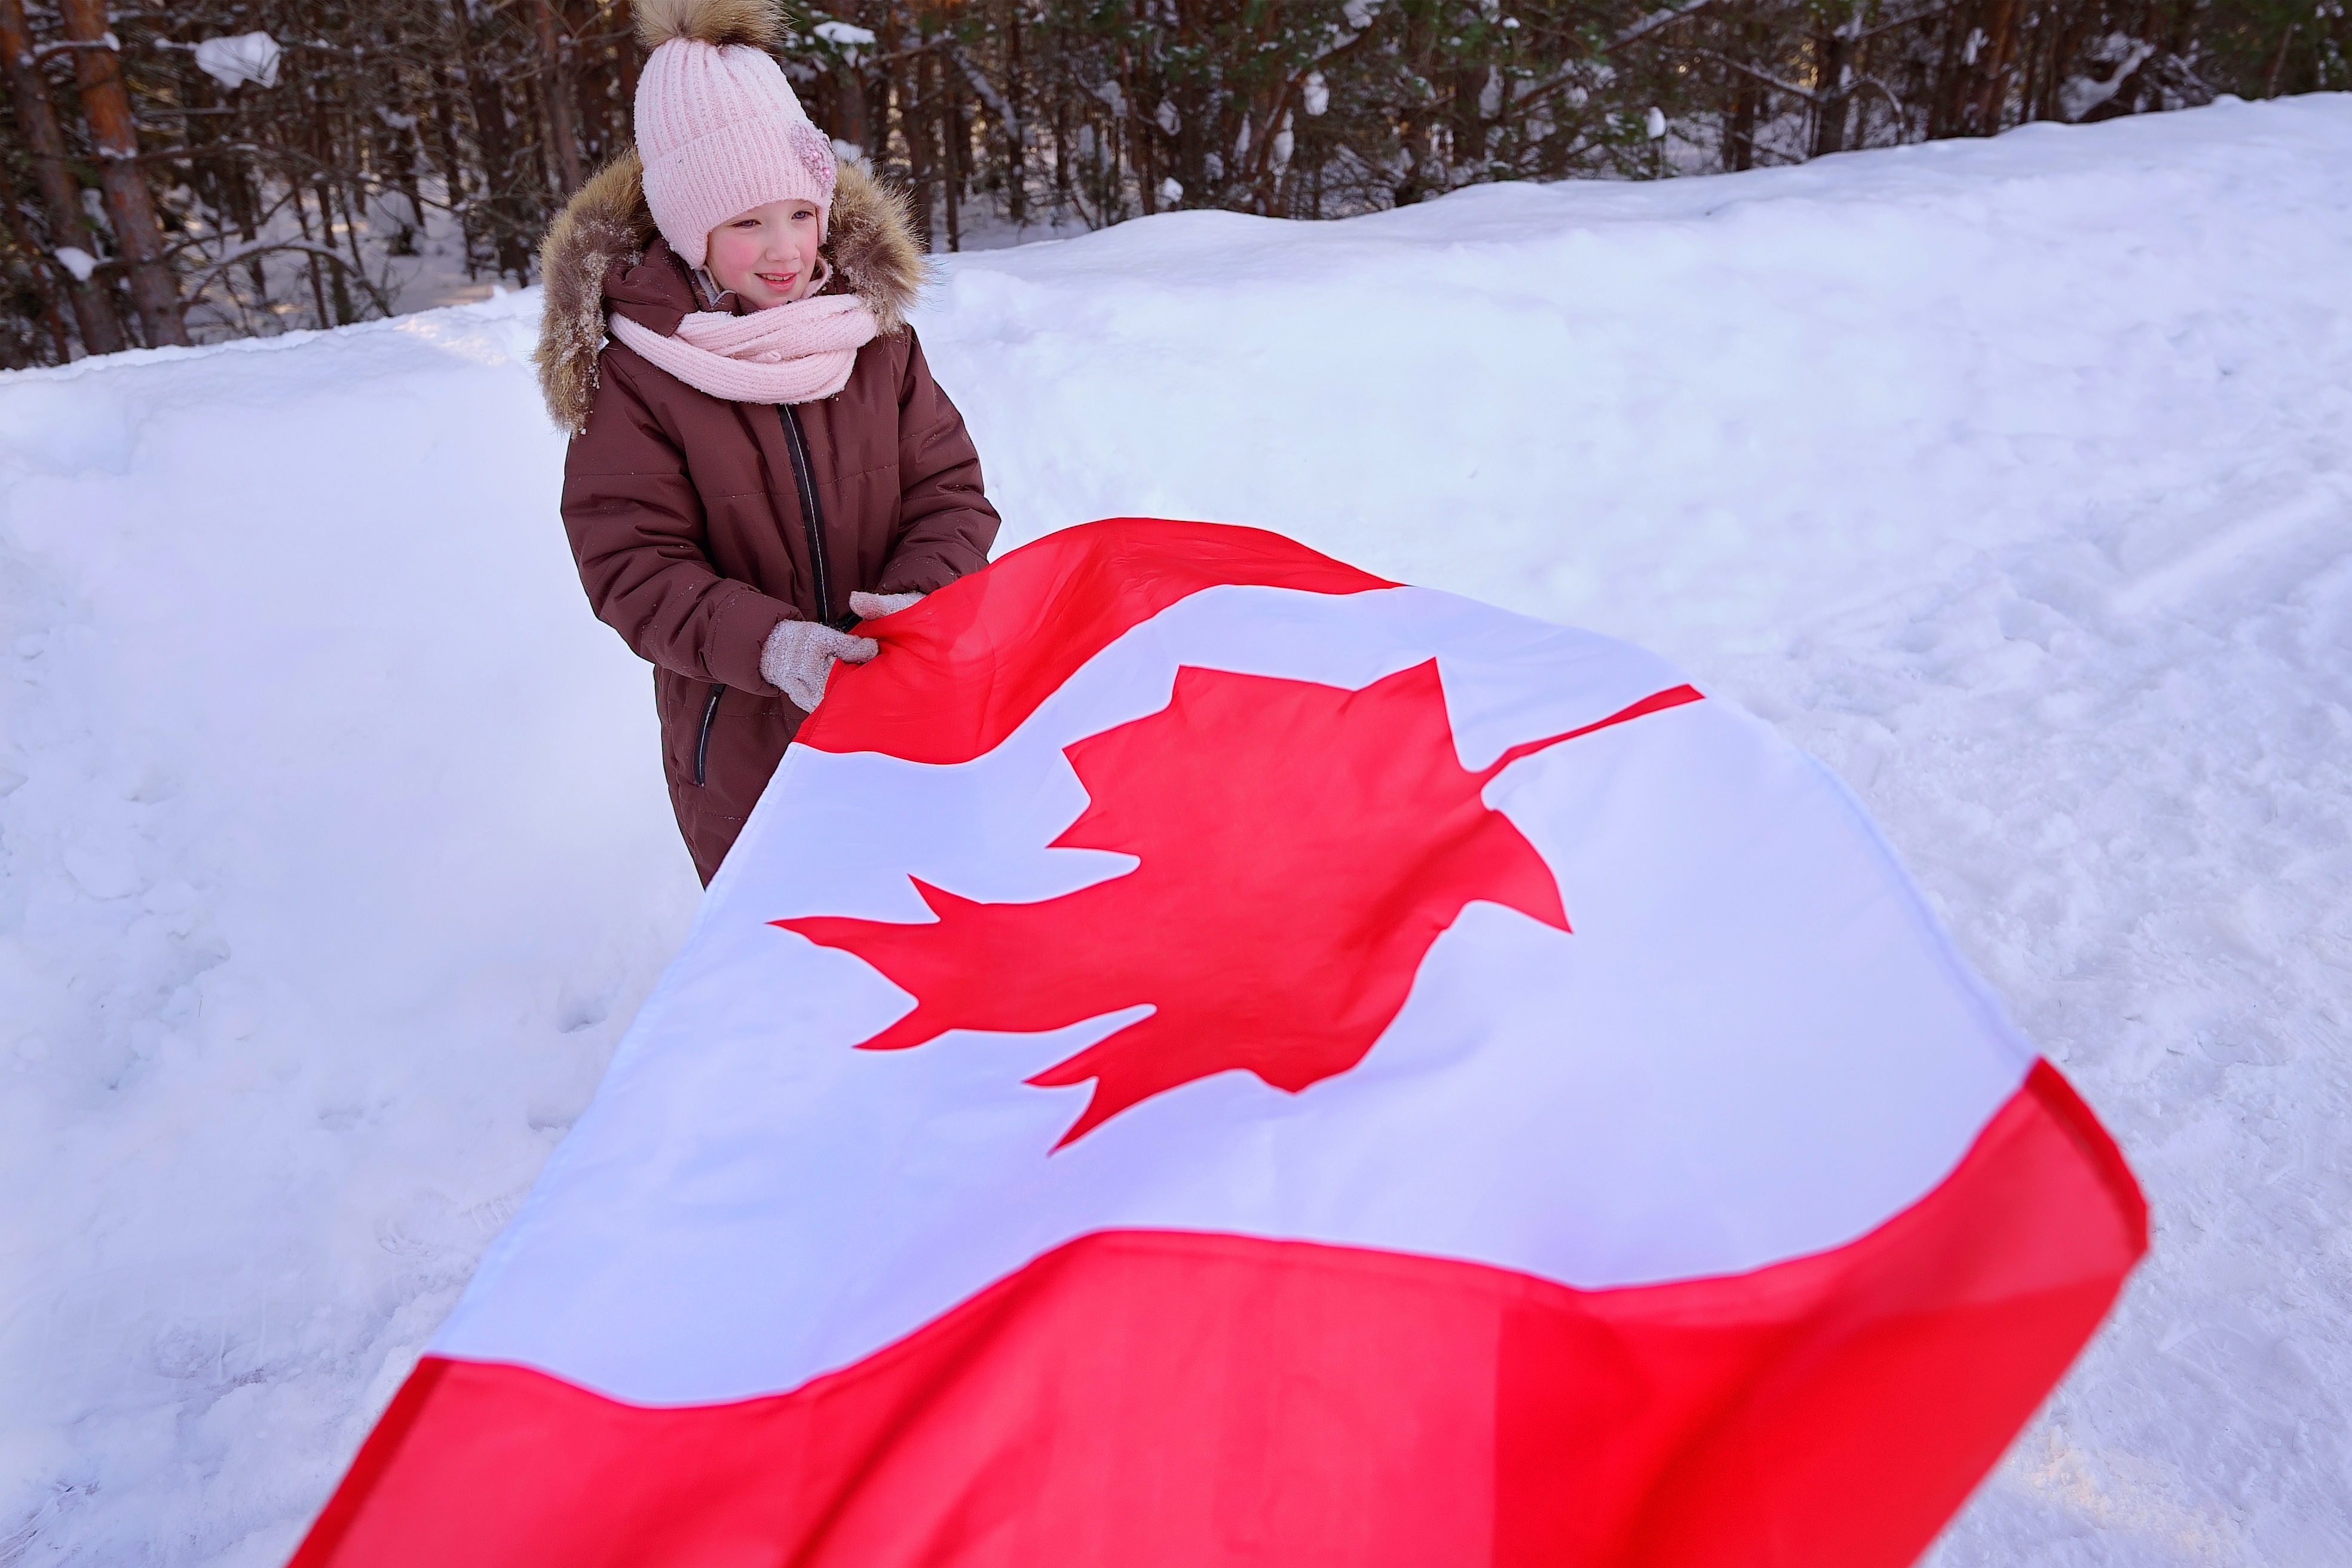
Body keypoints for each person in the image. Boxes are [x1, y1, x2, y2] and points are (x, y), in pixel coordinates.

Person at [534, 0, 999, 884]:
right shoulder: (638, 377)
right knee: (788, 934)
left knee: (917, 911)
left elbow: (951, 491)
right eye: (747, 223)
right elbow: (630, 562)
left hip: (897, 702)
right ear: (688, 229)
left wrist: (920, 598)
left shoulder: (876, 342)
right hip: (743, 734)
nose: (785, 248)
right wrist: (773, 645)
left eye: (800, 212)